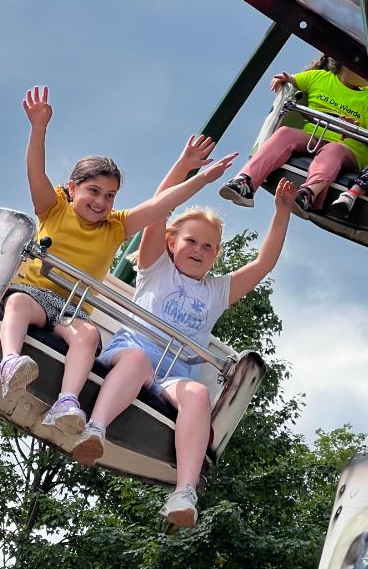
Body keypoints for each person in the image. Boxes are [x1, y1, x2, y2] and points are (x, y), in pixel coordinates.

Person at [0, 86, 237, 438]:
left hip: (71, 307)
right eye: (93, 191)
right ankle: (10, 361)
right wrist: (39, 129)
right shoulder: (55, 208)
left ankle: (67, 401)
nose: (101, 202)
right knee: (17, 302)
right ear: (73, 188)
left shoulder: (116, 227)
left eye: (109, 196)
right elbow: (36, 172)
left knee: (89, 335)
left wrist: (199, 178)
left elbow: (160, 205)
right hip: (35, 292)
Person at [71, 176, 299, 529]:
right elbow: (160, 205)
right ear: (171, 242)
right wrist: (186, 169)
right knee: (137, 361)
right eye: (191, 241)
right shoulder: (156, 267)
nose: (198, 250)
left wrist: (282, 212)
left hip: (177, 369)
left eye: (208, 247)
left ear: (216, 255)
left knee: (196, 394)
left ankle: (184, 492)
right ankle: (95, 429)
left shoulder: (217, 291)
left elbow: (263, 264)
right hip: (135, 348)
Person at [219, 54, 368, 212]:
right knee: (285, 133)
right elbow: (291, 79)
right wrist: (282, 79)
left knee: (333, 149)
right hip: (313, 137)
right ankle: (246, 181)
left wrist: (353, 129)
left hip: (345, 147)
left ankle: (308, 193)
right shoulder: (319, 77)